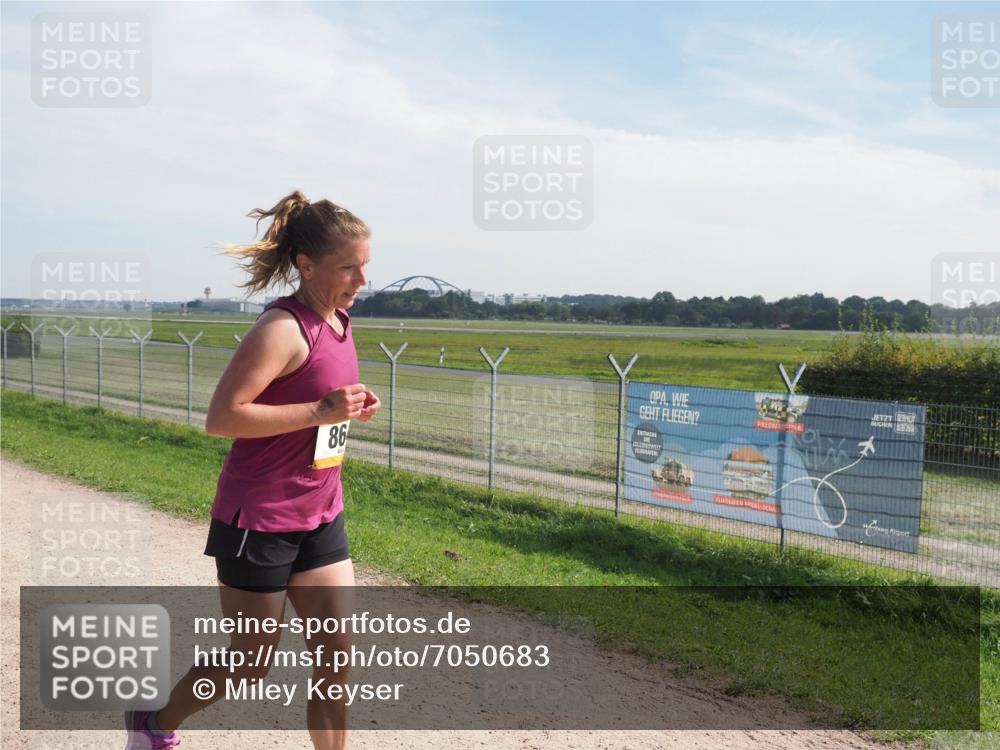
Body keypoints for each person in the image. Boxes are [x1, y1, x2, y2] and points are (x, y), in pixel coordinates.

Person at [125, 190, 379, 750]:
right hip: (258, 520)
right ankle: (154, 722)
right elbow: (223, 417)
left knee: (337, 661)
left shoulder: (338, 319)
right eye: (348, 268)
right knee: (250, 663)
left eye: (365, 265)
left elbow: (319, 402)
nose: (362, 280)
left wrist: (348, 406)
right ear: (306, 265)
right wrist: (321, 410)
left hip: (320, 511)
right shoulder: (282, 329)